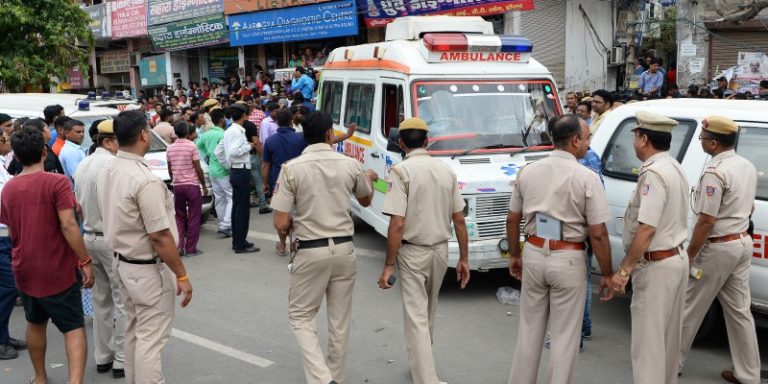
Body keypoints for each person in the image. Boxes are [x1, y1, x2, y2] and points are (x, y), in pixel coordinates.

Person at [505, 115, 614, 384]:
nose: (588, 144)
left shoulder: (528, 171)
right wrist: (609, 275)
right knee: (565, 336)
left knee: (529, 330)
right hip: (568, 258)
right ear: (575, 140)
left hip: (533, 251)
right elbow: (598, 234)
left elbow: (512, 218)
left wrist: (515, 255)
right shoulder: (587, 177)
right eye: (587, 138)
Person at [272, 111, 377, 384]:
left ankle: (321, 378)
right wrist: (370, 178)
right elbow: (366, 201)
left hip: (311, 249)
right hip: (344, 249)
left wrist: (298, 221)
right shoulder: (350, 165)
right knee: (339, 321)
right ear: (330, 134)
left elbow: (281, 221)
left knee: (300, 316)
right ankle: (335, 378)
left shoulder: (291, 168)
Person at [96, 110, 193, 383]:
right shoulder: (145, 180)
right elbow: (160, 236)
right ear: (142, 134)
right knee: (150, 340)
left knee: (133, 331)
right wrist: (182, 275)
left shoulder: (109, 168)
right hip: (146, 269)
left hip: (123, 262)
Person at [377, 118, 471, 384]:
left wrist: (388, 265)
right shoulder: (445, 171)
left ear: (402, 143)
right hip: (440, 251)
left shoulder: (401, 171)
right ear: (427, 141)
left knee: (416, 316)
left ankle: (427, 379)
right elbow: (459, 219)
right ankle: (423, 367)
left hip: (413, 253)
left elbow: (397, 223)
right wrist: (464, 258)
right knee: (428, 312)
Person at [0, 126, 95, 384]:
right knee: (73, 327)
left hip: (24, 266)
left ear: (17, 156)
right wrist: (85, 260)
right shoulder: (58, 182)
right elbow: (68, 225)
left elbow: (10, 230)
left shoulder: (8, 189)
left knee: (35, 322)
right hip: (57, 268)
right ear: (44, 152)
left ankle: (39, 377)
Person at [678, 116, 760, 384]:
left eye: (702, 138)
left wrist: (689, 256)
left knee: (689, 306)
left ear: (713, 143)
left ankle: (670, 364)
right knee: (740, 312)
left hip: (718, 248)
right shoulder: (746, 165)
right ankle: (748, 375)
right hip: (741, 243)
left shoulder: (716, 171)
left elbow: (706, 221)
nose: (701, 141)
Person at [611, 111, 689, 384]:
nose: (634, 142)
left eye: (635, 136)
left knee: (648, 346)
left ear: (644, 139)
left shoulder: (654, 173)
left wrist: (624, 271)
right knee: (666, 342)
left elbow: (647, 228)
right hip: (675, 259)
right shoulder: (674, 166)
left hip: (657, 265)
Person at [262, 109, 355, 256]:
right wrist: (348, 135)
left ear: (277, 123)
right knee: (296, 217)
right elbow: (325, 140)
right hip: (301, 182)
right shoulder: (300, 137)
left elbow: (266, 165)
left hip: (278, 182)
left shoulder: (270, 141)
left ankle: (281, 245)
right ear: (291, 121)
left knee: (282, 218)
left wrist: (264, 183)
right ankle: (294, 245)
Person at [73, 120, 125, 378]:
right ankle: (122, 360)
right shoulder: (111, 165)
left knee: (101, 301)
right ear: (107, 141)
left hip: (90, 236)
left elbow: (78, 205)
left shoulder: (85, 163)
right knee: (122, 301)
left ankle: (103, 357)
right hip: (109, 238)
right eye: (120, 140)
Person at [0, 128, 25, 360]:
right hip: (1, 235)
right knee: (8, 287)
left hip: (7, 235)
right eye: (4, 138)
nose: (7, 142)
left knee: (9, 287)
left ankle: (4, 335)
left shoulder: (2, 163)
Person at [222, 103, 260, 253]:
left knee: (238, 208)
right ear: (244, 115)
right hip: (240, 171)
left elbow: (221, 152)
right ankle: (240, 243)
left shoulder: (229, 130)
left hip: (236, 170)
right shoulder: (237, 131)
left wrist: (228, 165)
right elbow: (234, 152)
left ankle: (238, 241)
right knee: (242, 209)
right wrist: (250, 146)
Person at [167, 121, 208, 256]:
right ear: (186, 132)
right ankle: (191, 248)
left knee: (179, 216)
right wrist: (203, 185)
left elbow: (170, 169)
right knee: (194, 216)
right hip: (191, 185)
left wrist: (175, 179)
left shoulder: (170, 148)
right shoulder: (191, 146)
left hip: (177, 186)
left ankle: (179, 246)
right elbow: (198, 168)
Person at [198, 108, 233, 237]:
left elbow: (198, 147)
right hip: (223, 170)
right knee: (231, 197)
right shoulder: (224, 134)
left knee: (220, 199)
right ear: (222, 120)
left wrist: (207, 156)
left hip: (212, 169)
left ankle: (223, 223)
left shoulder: (206, 135)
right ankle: (226, 225)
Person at [242, 104, 270, 214]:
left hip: (240, 158)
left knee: (245, 182)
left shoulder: (232, 127)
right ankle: (263, 205)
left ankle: (246, 203)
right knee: (258, 181)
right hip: (252, 155)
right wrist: (261, 156)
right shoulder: (250, 126)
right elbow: (257, 143)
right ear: (247, 114)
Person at [58, 119, 86, 184]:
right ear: (67, 133)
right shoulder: (70, 151)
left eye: (83, 132)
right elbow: (76, 177)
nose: (82, 134)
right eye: (78, 132)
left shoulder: (74, 148)